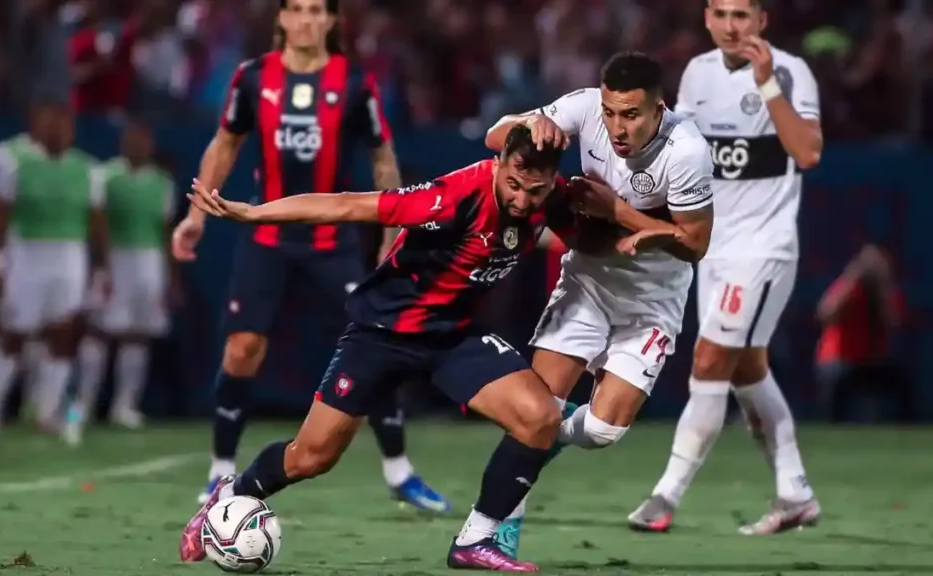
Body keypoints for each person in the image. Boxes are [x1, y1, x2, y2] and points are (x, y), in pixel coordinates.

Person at [180, 125, 625, 572]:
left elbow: (598, 243)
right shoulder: (452, 197)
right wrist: (255, 214)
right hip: (381, 333)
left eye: (536, 190)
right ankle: (232, 494)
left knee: (539, 417)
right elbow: (348, 205)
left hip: (452, 336)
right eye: (514, 184)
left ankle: (476, 539)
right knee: (311, 457)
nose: (523, 200)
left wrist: (637, 222)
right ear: (500, 163)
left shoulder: (555, 198)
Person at [171, 0, 448, 511]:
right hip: (268, 239)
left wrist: (390, 235)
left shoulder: (354, 82)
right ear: (281, 18)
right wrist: (195, 216)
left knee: (375, 347)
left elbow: (382, 156)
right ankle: (220, 473)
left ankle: (399, 473)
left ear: (330, 21)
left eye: (315, 10)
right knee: (242, 348)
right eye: (295, 9)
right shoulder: (253, 78)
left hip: (332, 243)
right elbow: (224, 144)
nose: (305, 19)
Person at [482, 51, 715, 557]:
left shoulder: (687, 150)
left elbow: (696, 244)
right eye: (611, 112)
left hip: (653, 300)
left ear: (659, 109)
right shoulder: (584, 108)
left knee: (605, 430)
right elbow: (495, 137)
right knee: (533, 409)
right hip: (588, 282)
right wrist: (530, 122)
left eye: (630, 114)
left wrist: (621, 214)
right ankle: (494, 534)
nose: (617, 126)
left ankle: (550, 434)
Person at [629, 0, 824, 535]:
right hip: (711, 246)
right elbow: (686, 155)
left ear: (762, 19)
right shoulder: (697, 72)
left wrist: (767, 86)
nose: (730, 26)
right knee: (747, 369)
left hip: (764, 247)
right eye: (720, 13)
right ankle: (794, 492)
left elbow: (807, 153)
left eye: (742, 14)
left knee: (711, 358)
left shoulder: (789, 71)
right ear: (707, 19)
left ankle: (665, 496)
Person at [0, 98, 108, 453]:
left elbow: (96, 224)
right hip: (25, 252)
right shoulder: (9, 157)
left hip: (69, 255)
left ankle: (46, 413)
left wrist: (102, 268)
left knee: (63, 334)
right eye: (54, 121)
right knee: (13, 334)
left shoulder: (89, 169)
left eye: (67, 123)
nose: (61, 130)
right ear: (37, 122)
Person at [67, 117, 180, 443]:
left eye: (143, 139)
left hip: (149, 263)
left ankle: (124, 407)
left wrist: (172, 276)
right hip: (116, 259)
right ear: (123, 142)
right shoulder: (104, 176)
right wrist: (101, 265)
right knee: (99, 331)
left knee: (139, 334)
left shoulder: (163, 182)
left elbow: (165, 231)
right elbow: (96, 223)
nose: (138, 145)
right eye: (132, 139)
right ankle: (82, 406)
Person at [816, 244, 908, 422]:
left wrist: (882, 286)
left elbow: (893, 321)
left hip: (871, 361)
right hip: (841, 361)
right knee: (835, 384)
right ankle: (829, 426)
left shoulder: (886, 291)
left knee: (902, 382)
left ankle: (905, 431)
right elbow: (825, 313)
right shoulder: (847, 287)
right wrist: (852, 280)